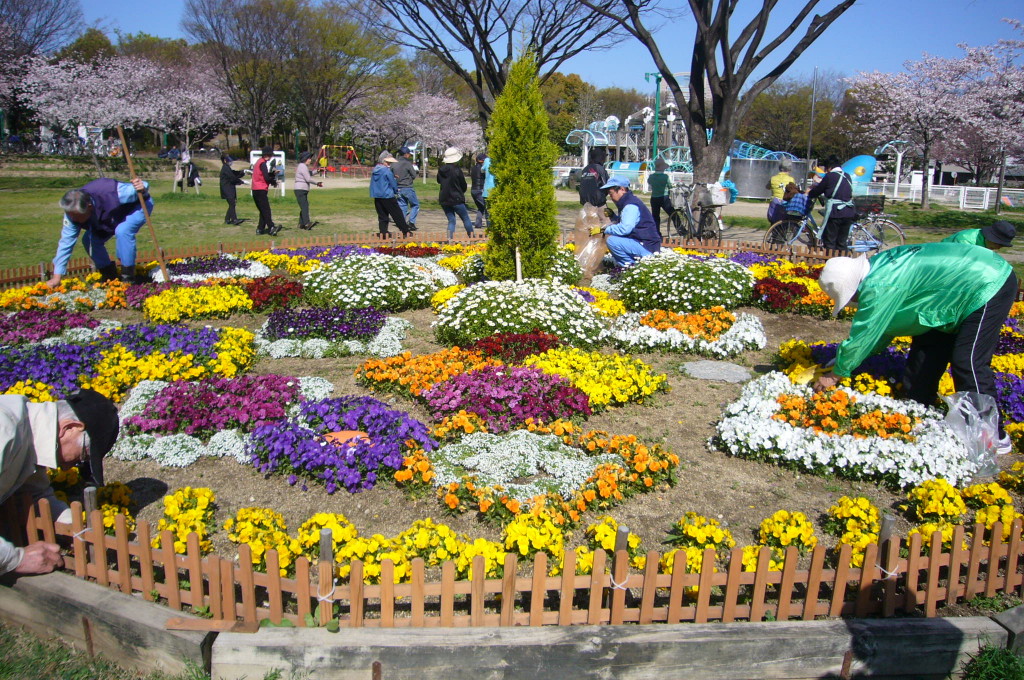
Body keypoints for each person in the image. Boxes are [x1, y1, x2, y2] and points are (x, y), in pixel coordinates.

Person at [812, 243, 1017, 454]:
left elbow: (867, 331)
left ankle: (994, 434)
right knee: (928, 343)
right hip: (949, 293)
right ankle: (920, 408)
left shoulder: (881, 284)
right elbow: (884, 329)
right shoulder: (878, 267)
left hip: (987, 282)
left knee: (968, 360)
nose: (853, 302)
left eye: (849, 298)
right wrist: (843, 361)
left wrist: (835, 375)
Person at [0, 389, 119, 576]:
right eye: (80, 458)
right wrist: (16, 559)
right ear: (70, 427)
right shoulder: (5, 431)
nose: (66, 469)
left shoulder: (29, 436)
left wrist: (74, 527)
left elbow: (37, 495)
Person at [47, 176, 154, 286]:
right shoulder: (72, 211)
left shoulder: (111, 191)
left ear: (89, 206)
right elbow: (66, 242)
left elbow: (143, 186)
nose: (73, 219)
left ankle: (128, 279)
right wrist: (57, 277)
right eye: (70, 215)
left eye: (77, 216)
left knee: (122, 231)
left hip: (137, 208)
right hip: (109, 218)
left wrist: (141, 186)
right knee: (89, 240)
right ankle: (109, 276)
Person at [598, 176, 662, 267]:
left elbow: (625, 229)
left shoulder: (630, 205)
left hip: (647, 247)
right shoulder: (628, 202)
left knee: (612, 241)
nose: (610, 197)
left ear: (622, 189)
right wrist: (613, 216)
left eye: (611, 193)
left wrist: (603, 230)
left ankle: (630, 268)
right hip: (644, 244)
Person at [807, 154, 855, 251]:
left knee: (830, 242)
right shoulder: (847, 176)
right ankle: (843, 262)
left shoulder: (830, 176)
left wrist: (810, 193)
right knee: (842, 242)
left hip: (835, 213)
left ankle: (830, 262)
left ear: (829, 167)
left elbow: (818, 190)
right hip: (849, 212)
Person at [370, 152, 411, 239]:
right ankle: (405, 230)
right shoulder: (386, 170)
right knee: (397, 214)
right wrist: (396, 190)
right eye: (388, 162)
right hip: (387, 195)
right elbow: (392, 183)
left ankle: (383, 232)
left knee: (382, 215)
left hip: (377, 195)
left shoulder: (375, 170)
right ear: (383, 161)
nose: (389, 164)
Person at [437, 147, 474, 239]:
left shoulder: (441, 170)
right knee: (465, 218)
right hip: (456, 198)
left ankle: (450, 238)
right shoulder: (457, 170)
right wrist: (461, 192)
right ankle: (472, 236)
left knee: (451, 220)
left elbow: (439, 181)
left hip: (444, 198)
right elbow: (463, 185)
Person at [251, 146, 281, 236]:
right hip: (261, 189)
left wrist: (272, 173)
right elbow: (266, 178)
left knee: (262, 210)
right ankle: (271, 227)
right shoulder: (263, 163)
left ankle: (260, 229)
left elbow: (263, 175)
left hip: (255, 189)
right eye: (271, 155)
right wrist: (274, 182)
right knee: (266, 210)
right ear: (268, 155)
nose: (271, 157)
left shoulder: (258, 162)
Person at [293, 151, 323, 230]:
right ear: (305, 159)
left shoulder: (302, 166)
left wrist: (318, 171)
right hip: (300, 189)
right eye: (309, 158)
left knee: (304, 206)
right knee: (305, 206)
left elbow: (309, 173)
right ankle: (307, 223)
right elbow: (308, 178)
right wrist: (317, 183)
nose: (310, 160)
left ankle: (301, 224)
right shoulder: (302, 166)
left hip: (301, 189)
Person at [392, 146, 420, 230]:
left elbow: (391, 174)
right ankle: (411, 222)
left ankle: (401, 223)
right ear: (406, 154)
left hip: (398, 187)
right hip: (407, 187)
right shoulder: (407, 163)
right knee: (415, 205)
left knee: (403, 206)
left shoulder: (394, 163)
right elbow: (414, 175)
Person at [942, 220, 1016, 251]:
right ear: (988, 236)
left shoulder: (986, 243)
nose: (998, 248)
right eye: (996, 243)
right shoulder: (965, 240)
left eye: (1002, 245)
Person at [646, 158, 675, 236]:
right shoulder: (665, 177)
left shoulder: (651, 177)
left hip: (654, 197)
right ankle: (681, 229)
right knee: (673, 214)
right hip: (664, 197)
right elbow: (670, 186)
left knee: (655, 217)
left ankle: (656, 233)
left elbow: (649, 182)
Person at [219, 154, 247, 225]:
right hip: (227, 189)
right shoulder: (225, 168)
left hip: (229, 189)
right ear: (225, 161)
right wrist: (242, 182)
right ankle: (234, 220)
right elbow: (232, 178)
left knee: (232, 204)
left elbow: (234, 173)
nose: (230, 161)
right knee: (232, 203)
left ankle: (227, 219)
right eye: (228, 160)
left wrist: (243, 172)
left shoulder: (227, 168)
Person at [470, 152, 489, 230]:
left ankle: (478, 224)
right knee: (486, 208)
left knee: (480, 208)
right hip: (480, 190)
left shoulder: (473, 168)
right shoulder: (482, 169)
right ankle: (490, 225)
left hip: (473, 190)